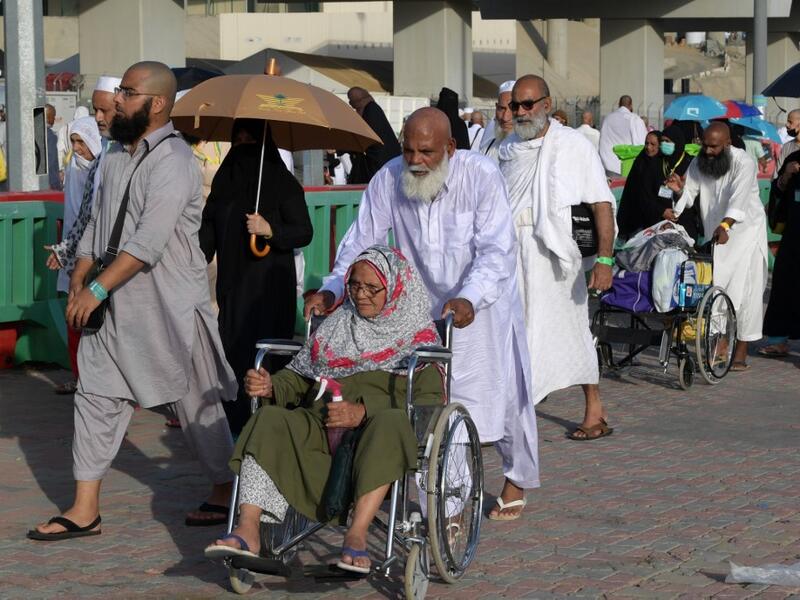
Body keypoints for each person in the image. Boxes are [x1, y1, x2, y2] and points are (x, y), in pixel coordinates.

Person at [27, 61, 238, 540]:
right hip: (114, 307)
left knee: (194, 404)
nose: (116, 100)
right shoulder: (114, 158)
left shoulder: (176, 161)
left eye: (127, 92)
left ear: (157, 103)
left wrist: (97, 288)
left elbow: (149, 241)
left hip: (168, 307)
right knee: (95, 396)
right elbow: (95, 227)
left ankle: (226, 486)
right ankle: (85, 508)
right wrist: (82, 278)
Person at [304, 107, 539, 521]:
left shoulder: (480, 176)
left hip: (481, 304)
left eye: (427, 152)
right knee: (432, 401)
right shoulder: (388, 178)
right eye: (408, 150)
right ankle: (448, 508)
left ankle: (516, 476)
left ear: (450, 147)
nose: (416, 161)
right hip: (418, 313)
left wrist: (469, 297)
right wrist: (332, 289)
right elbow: (360, 244)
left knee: (503, 397)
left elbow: (496, 251)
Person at [204, 246, 445, 572]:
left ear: (395, 288)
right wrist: (271, 386)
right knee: (270, 418)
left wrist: (363, 411)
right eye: (354, 286)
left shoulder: (418, 339)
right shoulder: (337, 324)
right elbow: (301, 379)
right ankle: (248, 529)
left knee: (390, 423)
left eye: (372, 288)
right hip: (321, 423)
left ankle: (356, 535)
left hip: (376, 432)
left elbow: (428, 404)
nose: (360, 295)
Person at [498, 74, 615, 441]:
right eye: (515, 105)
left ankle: (594, 409)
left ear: (546, 105)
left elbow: (601, 203)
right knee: (515, 333)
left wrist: (606, 261)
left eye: (527, 104)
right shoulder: (506, 150)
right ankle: (517, 412)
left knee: (571, 331)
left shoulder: (574, 145)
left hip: (557, 259)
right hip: (511, 253)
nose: (520, 112)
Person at [200, 118, 313, 436]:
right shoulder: (225, 181)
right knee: (233, 353)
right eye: (240, 140)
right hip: (233, 287)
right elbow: (208, 227)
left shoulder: (282, 183)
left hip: (269, 291)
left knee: (267, 357)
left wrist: (270, 229)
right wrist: (194, 259)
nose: (244, 148)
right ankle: (235, 428)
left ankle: (269, 428)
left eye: (253, 141)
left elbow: (303, 231)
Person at [665, 122, 768, 371]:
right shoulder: (700, 161)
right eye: (705, 145)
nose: (708, 151)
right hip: (718, 235)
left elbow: (738, 199)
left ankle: (740, 349)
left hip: (745, 233)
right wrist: (678, 199)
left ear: (727, 143)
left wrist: (726, 224)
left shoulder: (743, 163)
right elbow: (690, 191)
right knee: (718, 286)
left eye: (714, 147)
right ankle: (720, 340)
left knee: (746, 291)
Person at [43, 117, 102, 391]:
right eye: (74, 141)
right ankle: (80, 378)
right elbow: (76, 218)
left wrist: (66, 249)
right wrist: (65, 249)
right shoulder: (74, 167)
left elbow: (91, 218)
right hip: (74, 254)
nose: (77, 148)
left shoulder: (104, 170)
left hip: (97, 257)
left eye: (82, 142)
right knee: (74, 317)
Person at [617, 125, 699, 240]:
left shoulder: (690, 165)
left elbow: (694, 199)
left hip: (684, 226)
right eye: (662, 141)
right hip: (657, 225)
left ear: (677, 142)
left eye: (667, 141)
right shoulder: (656, 163)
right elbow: (645, 195)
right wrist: (661, 211)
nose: (664, 144)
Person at [758, 145, 800, 358]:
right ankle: (778, 340)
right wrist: (786, 175)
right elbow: (778, 192)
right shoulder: (793, 159)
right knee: (784, 285)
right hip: (793, 235)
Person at [345, 87, 401, 184]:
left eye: (351, 102)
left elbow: (365, 139)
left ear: (358, 101)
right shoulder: (372, 109)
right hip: (381, 165)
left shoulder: (370, 111)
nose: (351, 105)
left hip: (378, 167)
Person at [599, 95, 649, 177]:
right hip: (629, 166)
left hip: (609, 164)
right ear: (631, 105)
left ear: (619, 104)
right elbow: (643, 143)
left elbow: (602, 141)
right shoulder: (635, 119)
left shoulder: (608, 119)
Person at [479, 80, 515, 162]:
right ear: (496, 107)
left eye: (512, 109)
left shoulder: (532, 150)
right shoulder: (487, 148)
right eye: (501, 108)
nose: (505, 118)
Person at [57, 106, 90, 174]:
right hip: (88, 167)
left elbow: (60, 151)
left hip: (70, 167)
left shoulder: (65, 128)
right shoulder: (91, 127)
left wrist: (60, 169)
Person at [774, 109, 800, 175]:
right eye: (787, 121)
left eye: (790, 122)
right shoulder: (787, 146)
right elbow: (776, 175)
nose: (786, 124)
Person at [45, 103, 62, 190]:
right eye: (53, 116)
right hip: (51, 182)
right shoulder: (50, 135)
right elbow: (51, 162)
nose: (54, 119)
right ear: (48, 117)